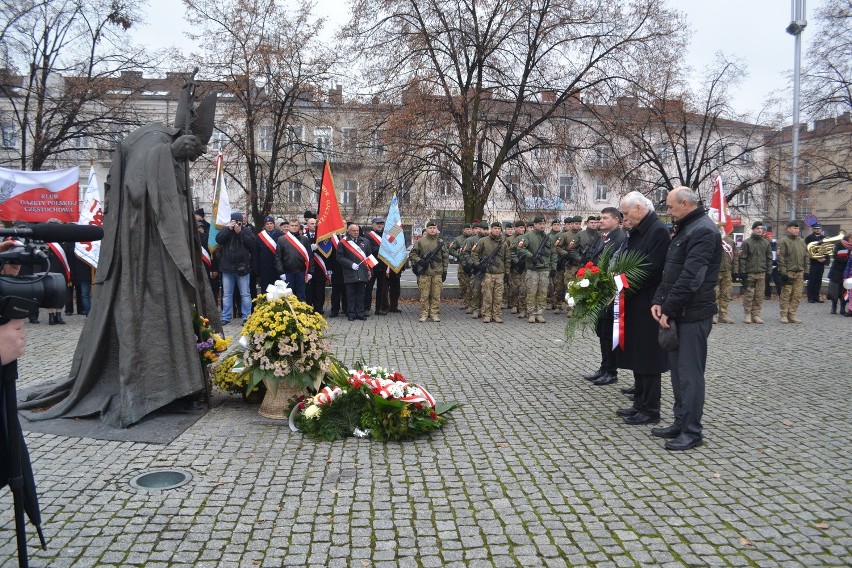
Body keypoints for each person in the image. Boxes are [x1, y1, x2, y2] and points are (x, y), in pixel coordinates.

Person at [20, 106, 221, 428]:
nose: (195, 158)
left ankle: (182, 385)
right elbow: (137, 188)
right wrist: (169, 153)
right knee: (155, 315)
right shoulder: (155, 141)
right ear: (186, 138)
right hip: (150, 255)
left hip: (161, 251)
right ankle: (163, 388)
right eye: (195, 150)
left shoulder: (158, 144)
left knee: (173, 313)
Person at [651, 186, 721, 451]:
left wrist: (667, 307)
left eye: (670, 207)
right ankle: (680, 422)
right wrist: (659, 301)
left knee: (690, 375)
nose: (668, 212)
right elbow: (669, 271)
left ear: (684, 203)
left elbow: (692, 278)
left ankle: (692, 431)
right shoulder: (685, 228)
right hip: (677, 312)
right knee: (678, 374)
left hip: (692, 314)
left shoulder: (703, 230)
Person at [616, 192, 671, 425]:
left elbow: (651, 268)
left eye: (627, 213)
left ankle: (651, 409)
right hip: (635, 299)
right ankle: (639, 402)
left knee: (648, 357)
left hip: (648, 301)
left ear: (639, 208)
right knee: (638, 354)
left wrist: (622, 283)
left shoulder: (657, 230)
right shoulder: (638, 230)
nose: (624, 218)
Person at [583, 208, 627, 385]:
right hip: (600, 288)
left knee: (608, 332)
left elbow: (613, 264)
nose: (600, 221)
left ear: (616, 220)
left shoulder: (619, 238)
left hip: (610, 289)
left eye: (605, 218)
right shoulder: (605, 236)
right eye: (600, 218)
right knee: (602, 330)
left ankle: (611, 371)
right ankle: (604, 367)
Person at [514, 216, 555, 323]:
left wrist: (553, 267)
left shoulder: (548, 238)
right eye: (539, 224)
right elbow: (519, 248)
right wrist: (530, 256)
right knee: (531, 292)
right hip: (532, 269)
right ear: (535, 225)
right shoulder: (528, 236)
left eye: (543, 224)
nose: (542, 226)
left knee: (543, 292)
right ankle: (531, 313)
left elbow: (553, 253)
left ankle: (540, 313)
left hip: (544, 269)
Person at [217, 210, 256, 324]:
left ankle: (246, 317)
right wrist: (228, 229)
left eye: (238, 221)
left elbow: (252, 245)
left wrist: (240, 233)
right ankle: (226, 317)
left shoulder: (247, 230)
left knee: (245, 294)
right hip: (227, 268)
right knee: (227, 294)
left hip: (242, 268)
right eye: (234, 221)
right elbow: (218, 240)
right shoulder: (225, 230)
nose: (236, 224)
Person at [409, 220, 448, 322]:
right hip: (425, 273)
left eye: (434, 228)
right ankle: (424, 314)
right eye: (430, 228)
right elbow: (412, 254)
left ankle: (434, 314)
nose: (432, 230)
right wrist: (420, 261)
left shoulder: (441, 242)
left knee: (436, 295)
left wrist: (445, 271)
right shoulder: (420, 241)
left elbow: (445, 257)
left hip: (437, 273)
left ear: (436, 230)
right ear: (427, 229)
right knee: (424, 295)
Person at [471, 221, 510, 323]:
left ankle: (496, 315)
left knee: (498, 296)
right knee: (487, 295)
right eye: (495, 228)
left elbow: (507, 259)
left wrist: (507, 272)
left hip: (500, 273)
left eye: (498, 229)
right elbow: (474, 253)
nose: (496, 230)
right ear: (491, 229)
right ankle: (487, 314)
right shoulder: (483, 241)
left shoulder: (504, 243)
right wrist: (478, 265)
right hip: (488, 273)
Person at [737, 221, 772, 324]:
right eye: (757, 228)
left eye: (761, 229)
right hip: (750, 273)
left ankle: (756, 314)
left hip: (761, 272)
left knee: (759, 295)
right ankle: (747, 314)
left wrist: (769, 272)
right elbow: (742, 258)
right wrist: (742, 272)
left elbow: (769, 258)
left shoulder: (766, 243)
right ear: (753, 230)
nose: (759, 230)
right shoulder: (747, 242)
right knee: (749, 294)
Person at [336, 222, 371, 320]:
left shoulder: (365, 241)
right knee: (350, 295)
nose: (356, 232)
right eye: (354, 231)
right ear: (348, 231)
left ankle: (360, 313)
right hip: (349, 272)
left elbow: (369, 257)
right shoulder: (343, 242)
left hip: (362, 272)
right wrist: (351, 264)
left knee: (361, 294)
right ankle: (351, 313)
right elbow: (339, 257)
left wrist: (369, 270)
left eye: (357, 230)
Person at [777, 220, 808, 324]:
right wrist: (783, 273)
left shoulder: (802, 241)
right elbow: (780, 258)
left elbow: (806, 257)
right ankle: (784, 315)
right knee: (786, 294)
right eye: (794, 228)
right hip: (789, 271)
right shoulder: (783, 241)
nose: (796, 230)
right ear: (789, 229)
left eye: (798, 228)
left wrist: (807, 271)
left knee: (797, 294)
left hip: (799, 271)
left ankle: (793, 314)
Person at [274, 218, 313, 302]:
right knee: (288, 296)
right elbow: (278, 257)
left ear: (299, 226)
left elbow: (310, 257)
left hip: (301, 272)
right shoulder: (282, 239)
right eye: (292, 226)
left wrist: (310, 272)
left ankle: (301, 314)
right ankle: (289, 314)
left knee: (301, 295)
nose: (294, 227)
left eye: (296, 226)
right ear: (289, 226)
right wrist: (281, 272)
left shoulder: (305, 239)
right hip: (287, 272)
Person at [364, 217, 388, 315]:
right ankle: (366, 308)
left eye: (381, 224)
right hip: (372, 264)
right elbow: (369, 249)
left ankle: (379, 308)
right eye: (378, 223)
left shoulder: (385, 236)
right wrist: (381, 248)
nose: (380, 225)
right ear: (372, 224)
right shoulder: (368, 236)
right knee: (368, 288)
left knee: (381, 289)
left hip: (382, 265)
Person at [254, 215, 283, 292]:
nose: (269, 225)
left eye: (271, 223)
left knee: (279, 289)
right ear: (264, 225)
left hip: (278, 267)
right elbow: (256, 253)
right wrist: (257, 270)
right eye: (267, 224)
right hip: (265, 267)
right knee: (266, 290)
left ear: (274, 224)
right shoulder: (259, 237)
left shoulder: (281, 235)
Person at [714, 230, 737, 324]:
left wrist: (735, 271)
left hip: (727, 271)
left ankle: (723, 315)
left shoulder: (730, 241)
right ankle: (713, 315)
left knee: (726, 293)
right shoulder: (712, 238)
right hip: (714, 270)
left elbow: (735, 257)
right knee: (714, 294)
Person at [827, 232, 850, 315]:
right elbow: (835, 256)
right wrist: (847, 260)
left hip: (847, 272)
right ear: (847, 238)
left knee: (844, 291)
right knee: (834, 291)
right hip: (837, 271)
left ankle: (843, 308)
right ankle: (834, 307)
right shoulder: (839, 245)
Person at [805, 223, 829, 303]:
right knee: (812, 279)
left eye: (819, 228)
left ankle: (816, 296)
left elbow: (827, 249)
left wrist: (825, 258)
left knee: (819, 280)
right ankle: (810, 297)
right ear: (813, 229)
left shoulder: (824, 238)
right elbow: (808, 250)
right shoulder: (809, 238)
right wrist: (817, 258)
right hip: (814, 262)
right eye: (816, 228)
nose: (818, 230)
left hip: (822, 262)